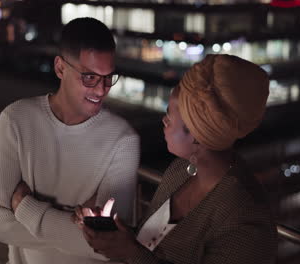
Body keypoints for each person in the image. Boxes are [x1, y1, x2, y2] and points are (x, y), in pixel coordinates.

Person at [76, 54, 278, 264]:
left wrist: (129, 251)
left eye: (170, 117)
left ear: (198, 134)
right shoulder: (181, 170)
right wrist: (116, 236)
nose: (164, 122)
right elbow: (154, 247)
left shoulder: (243, 218)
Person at [0, 17, 140, 264]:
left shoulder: (123, 139)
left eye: (108, 78)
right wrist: (73, 227)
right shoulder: (17, 120)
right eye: (89, 77)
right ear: (60, 68)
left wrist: (25, 207)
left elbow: (112, 246)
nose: (101, 90)